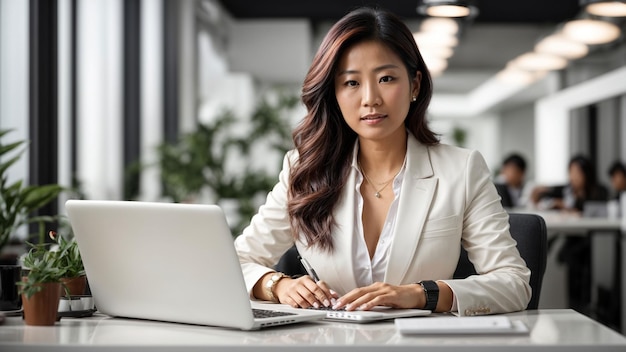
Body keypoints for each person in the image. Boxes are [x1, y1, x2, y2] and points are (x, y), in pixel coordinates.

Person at [234, 7, 530, 316]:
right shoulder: (304, 170)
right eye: (351, 83)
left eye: (386, 78)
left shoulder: (461, 170)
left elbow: (513, 283)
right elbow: (234, 262)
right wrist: (278, 285)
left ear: (414, 85)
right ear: (333, 92)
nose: (370, 98)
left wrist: (422, 294)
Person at [532, 154, 608, 212]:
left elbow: (593, 211)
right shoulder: (567, 190)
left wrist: (565, 207)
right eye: (571, 172)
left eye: (577, 172)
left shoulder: (598, 191)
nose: (573, 177)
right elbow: (542, 196)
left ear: (587, 174)